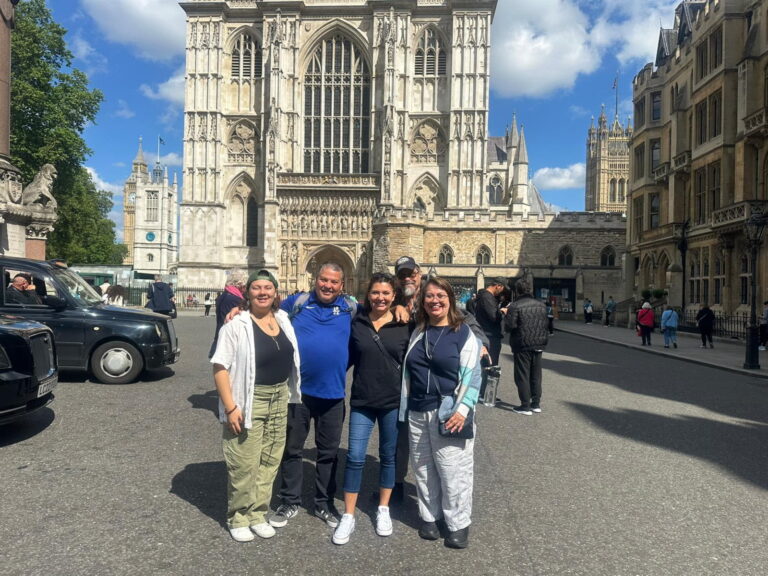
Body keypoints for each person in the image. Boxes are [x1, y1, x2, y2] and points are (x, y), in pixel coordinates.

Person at [211, 269, 301, 542]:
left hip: (280, 397)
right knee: (244, 461)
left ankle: (258, 513)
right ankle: (238, 516)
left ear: (276, 292)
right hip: (250, 399)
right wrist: (230, 407)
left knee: (270, 460)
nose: (263, 292)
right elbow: (220, 367)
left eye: (268, 288)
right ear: (247, 293)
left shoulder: (283, 319)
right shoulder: (235, 325)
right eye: (257, 288)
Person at [391, 255, 489, 504]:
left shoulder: (433, 296)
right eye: (402, 275)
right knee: (402, 441)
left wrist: (480, 343)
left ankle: (450, 504)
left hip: (437, 387)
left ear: (419, 273)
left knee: (446, 454)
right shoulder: (394, 298)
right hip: (404, 384)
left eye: (411, 273)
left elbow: (465, 320)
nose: (407, 278)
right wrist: (394, 308)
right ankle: (396, 484)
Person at [270, 263, 356, 531]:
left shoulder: (351, 308)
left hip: (333, 395)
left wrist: (402, 307)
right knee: (292, 449)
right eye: (323, 280)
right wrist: (239, 309)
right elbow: (265, 313)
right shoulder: (297, 303)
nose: (327, 285)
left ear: (342, 285)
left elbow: (381, 314)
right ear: (315, 280)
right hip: (299, 393)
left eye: (333, 281)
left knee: (328, 453)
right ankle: (290, 500)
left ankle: (323, 502)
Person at [400, 276, 481, 549]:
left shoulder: (463, 333)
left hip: (449, 411)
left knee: (452, 470)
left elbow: (474, 376)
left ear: (450, 300)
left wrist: (463, 409)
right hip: (417, 410)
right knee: (423, 468)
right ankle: (430, 517)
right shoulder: (419, 331)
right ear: (423, 302)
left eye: (440, 296)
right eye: (429, 296)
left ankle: (458, 523)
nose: (435, 301)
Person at [332, 272, 411, 545]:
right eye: (376, 292)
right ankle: (348, 515)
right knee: (355, 457)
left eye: (386, 293)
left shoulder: (405, 323)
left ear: (394, 296)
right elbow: (342, 356)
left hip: (392, 402)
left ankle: (383, 509)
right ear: (368, 295)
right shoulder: (358, 322)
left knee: (388, 457)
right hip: (363, 400)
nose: (380, 297)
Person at [504, 279, 548, 416]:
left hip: (522, 343)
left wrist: (506, 315)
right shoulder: (541, 305)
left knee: (522, 374)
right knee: (536, 375)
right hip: (539, 343)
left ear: (517, 291)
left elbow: (510, 326)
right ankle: (536, 404)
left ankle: (525, 405)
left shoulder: (515, 306)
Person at [209, 271, 247, 358]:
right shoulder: (234, 299)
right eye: (244, 286)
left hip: (219, 335)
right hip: (228, 340)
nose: (245, 289)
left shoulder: (224, 295)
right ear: (239, 285)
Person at [474, 277, 506, 366]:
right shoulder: (487, 297)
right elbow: (494, 317)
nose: (502, 291)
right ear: (498, 286)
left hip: (487, 334)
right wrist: (503, 312)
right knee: (490, 365)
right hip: (490, 336)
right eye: (502, 288)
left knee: (487, 364)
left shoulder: (485, 296)